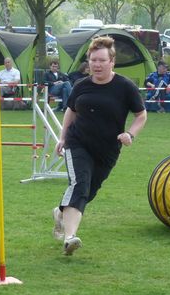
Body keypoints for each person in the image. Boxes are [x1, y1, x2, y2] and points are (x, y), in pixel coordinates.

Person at [52, 36, 147, 256]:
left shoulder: (125, 87)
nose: (96, 64)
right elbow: (71, 111)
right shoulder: (81, 85)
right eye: (93, 60)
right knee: (80, 185)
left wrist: (130, 134)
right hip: (78, 143)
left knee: (88, 193)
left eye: (102, 60)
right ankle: (69, 238)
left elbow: (141, 115)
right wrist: (63, 137)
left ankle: (60, 212)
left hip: (107, 150)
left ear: (112, 62)